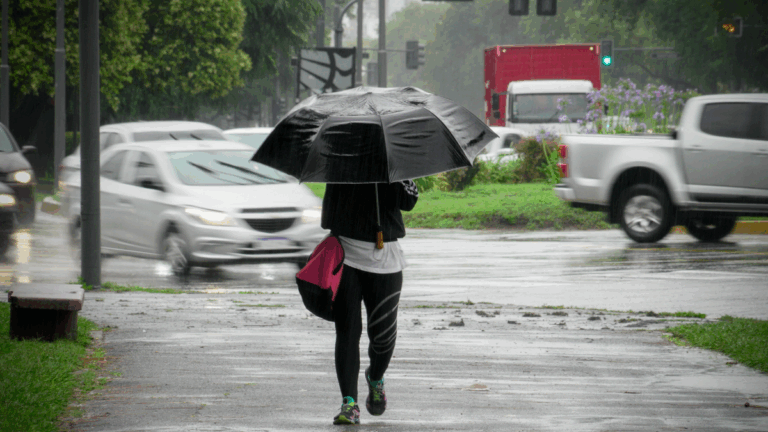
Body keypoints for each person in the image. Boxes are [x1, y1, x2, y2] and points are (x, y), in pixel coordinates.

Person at [320, 180, 419, 425]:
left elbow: (409, 202)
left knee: (383, 337)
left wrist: (394, 177)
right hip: (346, 255)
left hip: (386, 257)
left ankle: (375, 377)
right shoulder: (342, 155)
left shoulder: (393, 159)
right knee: (347, 331)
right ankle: (349, 404)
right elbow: (327, 217)